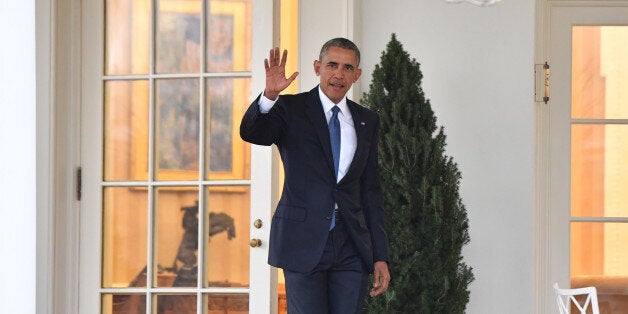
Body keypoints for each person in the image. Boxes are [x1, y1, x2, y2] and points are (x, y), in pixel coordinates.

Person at [240, 38, 390, 313]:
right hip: (302, 241)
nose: (339, 74)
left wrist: (380, 256)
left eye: (347, 68)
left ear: (356, 75)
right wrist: (269, 96)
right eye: (332, 65)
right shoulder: (290, 109)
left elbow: (370, 190)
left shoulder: (367, 120)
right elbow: (253, 133)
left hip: (351, 246)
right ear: (317, 67)